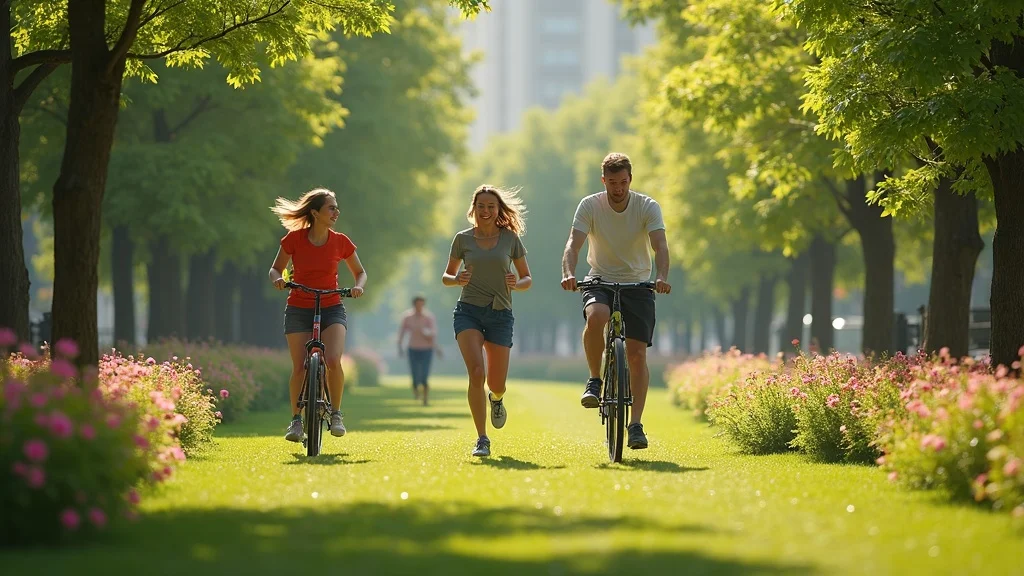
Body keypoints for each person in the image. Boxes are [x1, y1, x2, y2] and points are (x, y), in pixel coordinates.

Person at [560, 153, 671, 451]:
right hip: (601, 279)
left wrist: (661, 276)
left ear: (630, 180)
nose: (618, 189)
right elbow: (574, 243)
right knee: (596, 316)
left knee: (636, 355)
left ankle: (635, 424)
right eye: (612, 183)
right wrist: (569, 273)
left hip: (638, 283)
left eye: (623, 182)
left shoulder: (647, 206)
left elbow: (659, 245)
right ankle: (595, 380)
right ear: (603, 181)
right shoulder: (590, 205)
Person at [268, 187, 367, 443]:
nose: (336, 212)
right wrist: (278, 279)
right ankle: (296, 421)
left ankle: (336, 413)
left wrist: (358, 287)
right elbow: (275, 269)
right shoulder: (294, 239)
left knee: (333, 359)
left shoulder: (341, 241)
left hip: (332, 305)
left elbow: (360, 272)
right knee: (300, 366)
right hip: (299, 306)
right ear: (315, 212)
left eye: (336, 207)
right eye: (331, 207)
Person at [442, 185, 532, 457]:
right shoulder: (462, 239)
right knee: (476, 373)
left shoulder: (510, 239)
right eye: (481, 206)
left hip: (500, 314)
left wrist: (516, 283)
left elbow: (527, 278)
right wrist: (456, 279)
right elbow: (447, 275)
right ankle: (482, 438)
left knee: (496, 383)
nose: (485, 211)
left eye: (491, 206)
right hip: (468, 310)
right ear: (474, 209)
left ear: (498, 210)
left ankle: (497, 399)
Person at [398, 295, 442, 405]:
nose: (420, 307)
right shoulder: (407, 317)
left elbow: (433, 333)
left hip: (427, 349)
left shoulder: (428, 317)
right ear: (414, 305)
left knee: (424, 375)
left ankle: (425, 399)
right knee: (415, 375)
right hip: (413, 349)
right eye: (418, 304)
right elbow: (402, 332)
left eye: (421, 304)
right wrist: (400, 346)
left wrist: (428, 335)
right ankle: (416, 389)